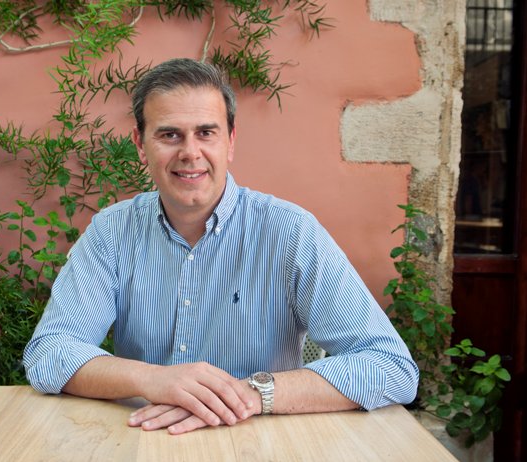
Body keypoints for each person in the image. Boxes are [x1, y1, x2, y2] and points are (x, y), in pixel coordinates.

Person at [23, 58, 419, 435]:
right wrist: (153, 379)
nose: (190, 153)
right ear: (141, 145)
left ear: (230, 141)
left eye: (206, 133)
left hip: (261, 442)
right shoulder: (111, 232)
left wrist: (245, 395)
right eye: (169, 135)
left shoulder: (290, 232)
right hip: (144, 439)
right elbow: (50, 353)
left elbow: (390, 367)